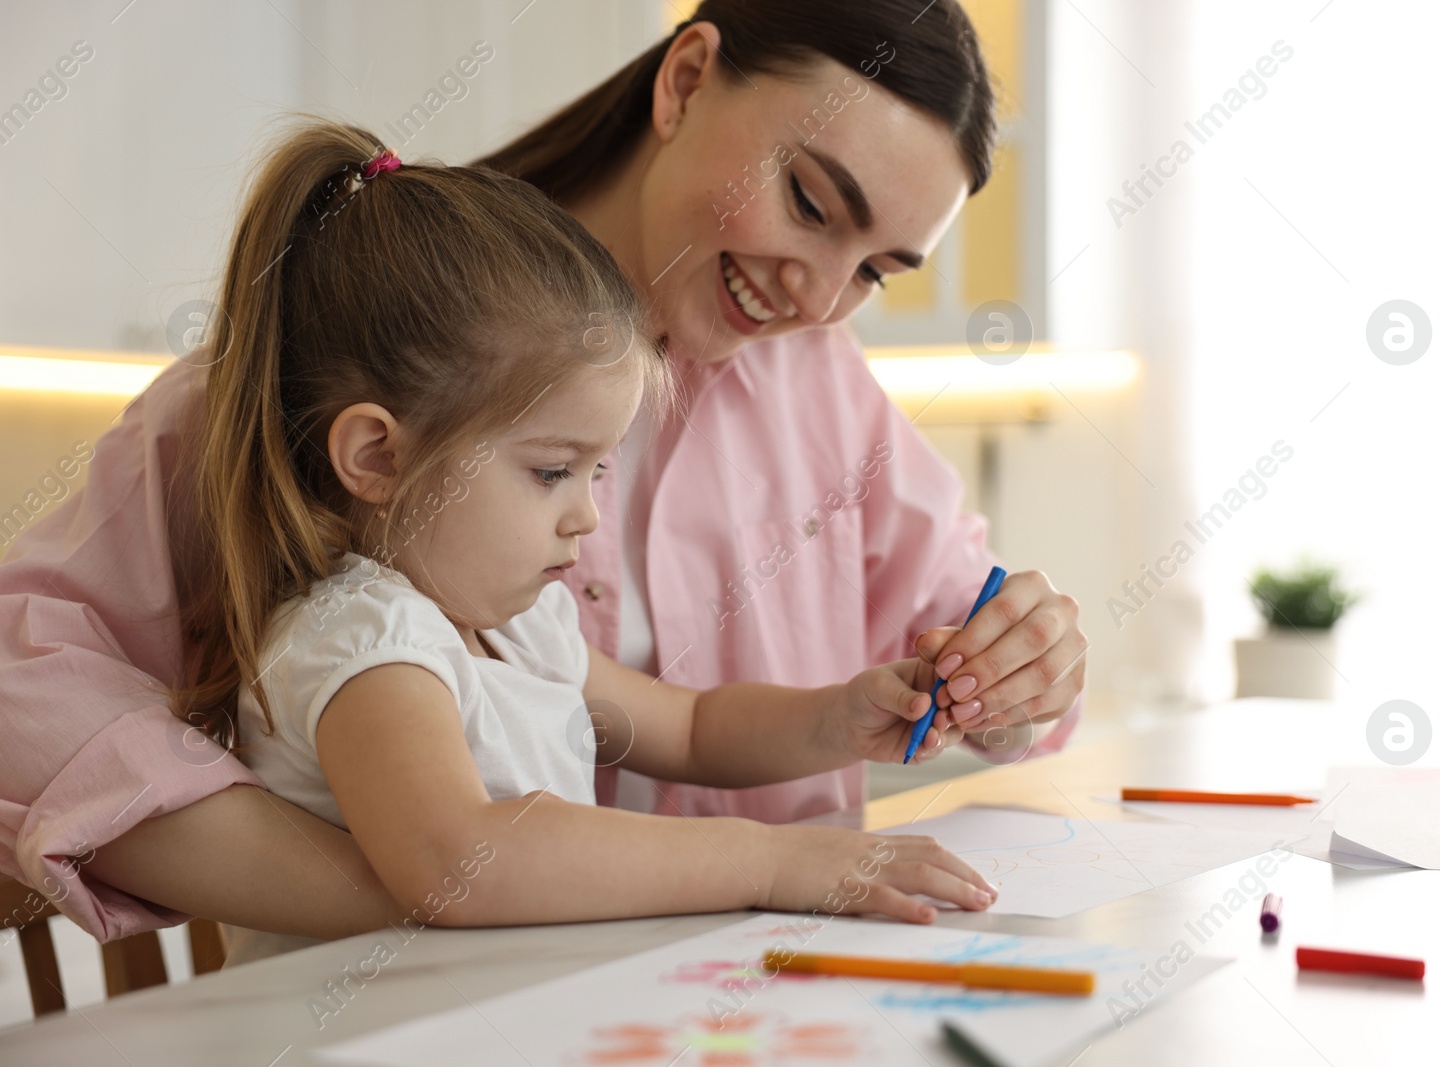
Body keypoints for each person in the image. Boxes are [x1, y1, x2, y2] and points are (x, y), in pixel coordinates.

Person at [0, 0, 1086, 947]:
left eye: (878, 273)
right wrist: (381, 885)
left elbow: (899, 683)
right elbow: (23, 679)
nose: (818, 299)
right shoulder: (349, 369)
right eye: (808, 202)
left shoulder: (822, 389)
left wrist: (1014, 674)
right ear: (687, 79)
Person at [185, 122, 994, 961]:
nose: (586, 517)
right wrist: (774, 858)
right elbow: (460, 859)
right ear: (378, 456)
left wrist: (837, 717)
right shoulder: (363, 642)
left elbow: (691, 729)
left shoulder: (520, 628)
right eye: (550, 472)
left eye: (597, 473)